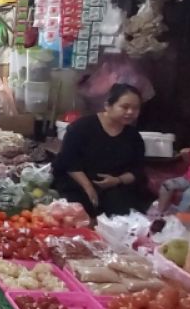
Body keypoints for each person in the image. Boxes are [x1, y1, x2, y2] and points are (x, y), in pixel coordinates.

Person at [52, 84, 147, 217]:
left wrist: (117, 180)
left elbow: (137, 170)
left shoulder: (134, 137)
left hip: (115, 187)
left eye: (135, 108)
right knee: (77, 214)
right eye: (125, 107)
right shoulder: (82, 127)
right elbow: (69, 162)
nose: (130, 112)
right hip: (78, 184)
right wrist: (89, 188)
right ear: (108, 106)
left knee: (124, 215)